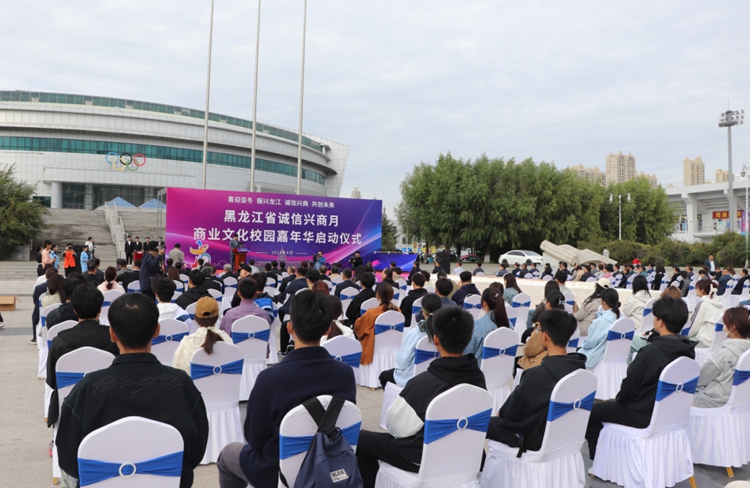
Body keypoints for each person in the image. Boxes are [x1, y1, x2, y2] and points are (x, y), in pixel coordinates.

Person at [56, 293, 209, 488]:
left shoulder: (87, 388)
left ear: (112, 334)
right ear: (157, 330)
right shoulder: (182, 384)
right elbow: (196, 448)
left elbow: (68, 456)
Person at [217, 289, 356, 488]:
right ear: (327, 329)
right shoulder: (345, 373)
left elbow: (255, 439)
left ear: (290, 328)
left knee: (227, 455)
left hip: (276, 472)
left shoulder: (270, 378)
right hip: (331, 465)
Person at [356, 306, 486, 487]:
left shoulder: (425, 382)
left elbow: (396, 427)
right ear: (468, 338)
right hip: (468, 455)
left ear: (436, 339)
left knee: (359, 439)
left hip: (422, 457)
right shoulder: (479, 378)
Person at [585, 296, 696, 460]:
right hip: (671, 415)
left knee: (592, 412)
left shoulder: (651, 352)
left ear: (660, 322)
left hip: (642, 413)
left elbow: (629, 387)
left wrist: (618, 400)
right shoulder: (689, 350)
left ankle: (601, 461)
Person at [487, 307, 584, 454]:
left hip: (533, 438)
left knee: (482, 424)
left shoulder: (536, 375)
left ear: (545, 335)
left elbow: (507, 413)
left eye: (538, 330)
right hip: (563, 435)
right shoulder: (580, 371)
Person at [46, 284, 120, 427]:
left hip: (67, 409)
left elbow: (52, 381)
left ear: (74, 310)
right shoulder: (115, 340)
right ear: (100, 309)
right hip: (107, 408)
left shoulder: (59, 341)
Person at [380, 293, 442, 388]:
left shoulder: (415, 333)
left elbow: (402, 362)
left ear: (423, 310)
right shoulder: (446, 332)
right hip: (438, 376)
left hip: (413, 377)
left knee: (383, 376)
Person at [693, 307, 750, 408]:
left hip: (714, 401)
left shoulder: (723, 354)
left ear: (732, 327)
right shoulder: (746, 352)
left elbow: (700, 379)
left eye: (725, 323)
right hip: (741, 402)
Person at [172, 296, 233, 372]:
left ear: (196, 318)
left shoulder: (186, 343)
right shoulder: (228, 340)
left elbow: (176, 371)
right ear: (217, 317)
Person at [518, 290, 567, 371]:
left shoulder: (544, 325)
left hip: (542, 364)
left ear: (548, 304)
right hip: (560, 361)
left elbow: (528, 350)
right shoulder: (567, 323)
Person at [355, 282, 401, 366]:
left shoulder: (371, 312)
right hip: (394, 349)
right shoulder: (398, 311)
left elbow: (359, 327)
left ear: (378, 295)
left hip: (374, 349)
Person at [464, 287, 510, 365]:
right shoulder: (509, 325)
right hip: (504, 369)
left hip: (479, 370)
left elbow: (467, 355)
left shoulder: (476, 326)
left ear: (484, 304)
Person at [578, 288, 621, 369]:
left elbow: (590, 342)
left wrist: (583, 344)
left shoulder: (601, 321)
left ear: (604, 302)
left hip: (598, 357)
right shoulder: (622, 319)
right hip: (618, 357)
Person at [685, 279, 723, 348]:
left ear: (702, 291)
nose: (695, 290)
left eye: (696, 288)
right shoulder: (719, 304)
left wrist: (683, 335)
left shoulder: (702, 304)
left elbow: (693, 326)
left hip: (705, 341)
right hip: (718, 341)